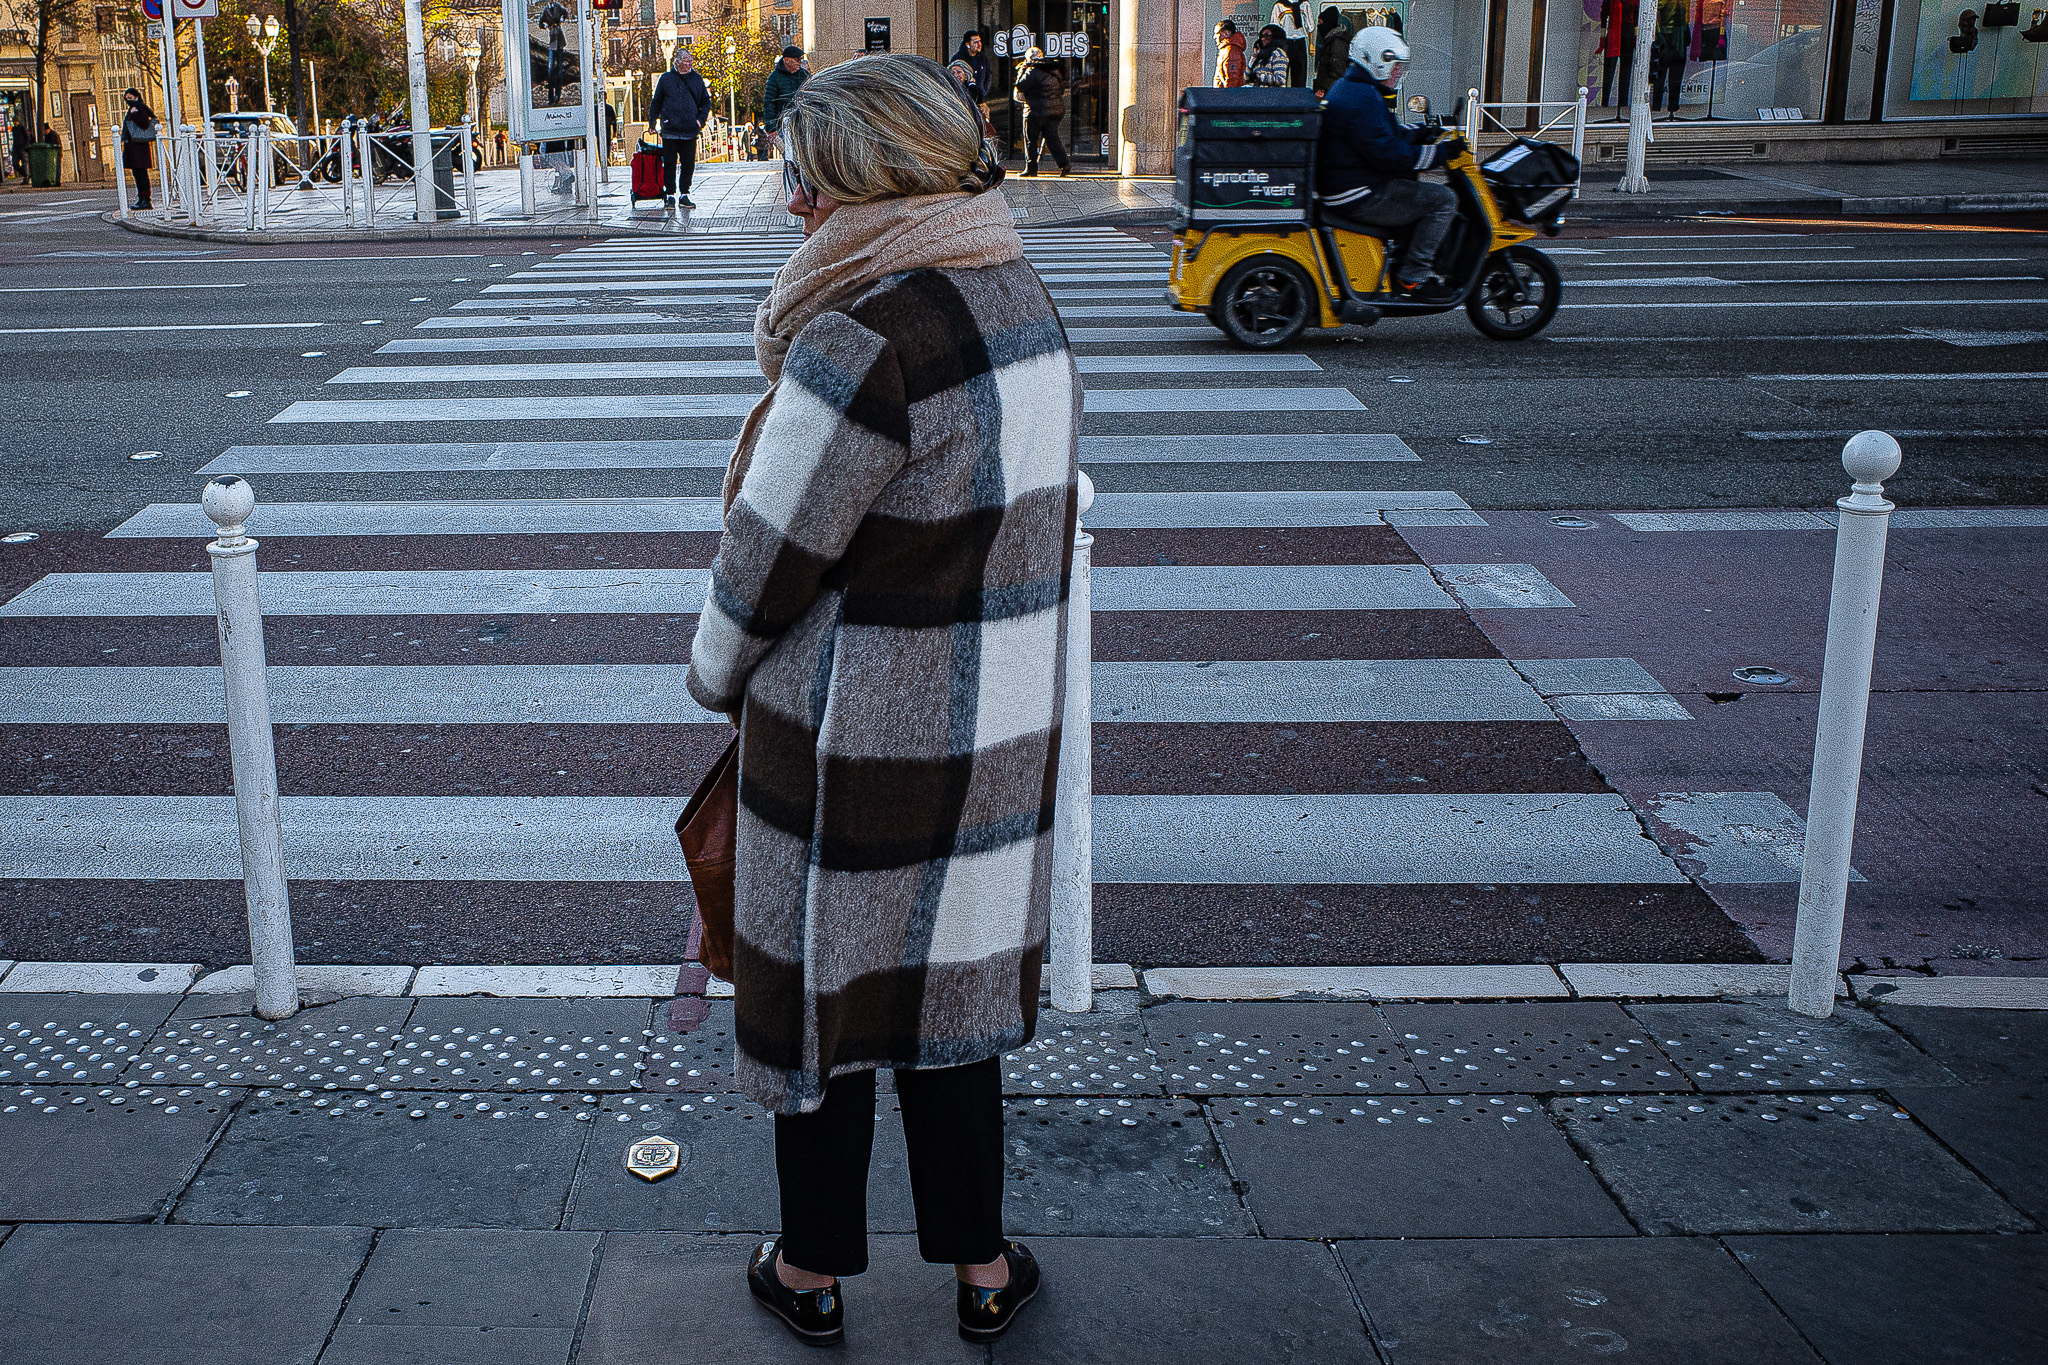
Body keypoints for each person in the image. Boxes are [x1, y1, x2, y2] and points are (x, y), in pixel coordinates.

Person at [686, 50, 1068, 1352]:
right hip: (991, 723)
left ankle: (810, 1269)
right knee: (951, 1009)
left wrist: (714, 673)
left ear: (859, 179)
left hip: (852, 736)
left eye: (802, 176)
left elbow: (768, 555)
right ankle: (980, 1268)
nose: (792, 204)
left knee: (824, 1010)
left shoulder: (861, 334)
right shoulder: (1018, 294)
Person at [1317, 26, 1459, 302]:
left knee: (1412, 187)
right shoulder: (1363, 97)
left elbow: (1383, 135)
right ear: (1376, 60)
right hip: (1358, 192)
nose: (1398, 73)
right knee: (1443, 199)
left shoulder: (1353, 89)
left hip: (1346, 184)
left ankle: (1397, 264)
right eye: (1395, 66)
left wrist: (1420, 133)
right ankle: (1412, 279)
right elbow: (1389, 154)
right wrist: (1442, 153)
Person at [647, 46, 711, 208]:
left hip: (690, 129)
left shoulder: (696, 79)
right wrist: (652, 123)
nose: (690, 64)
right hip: (670, 129)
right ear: (677, 62)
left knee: (688, 163)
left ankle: (684, 193)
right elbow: (657, 102)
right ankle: (670, 194)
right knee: (669, 163)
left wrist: (700, 121)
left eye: (691, 61)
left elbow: (705, 101)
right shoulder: (666, 79)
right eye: (686, 61)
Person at [1014, 46, 1069, 177]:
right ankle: (1064, 164)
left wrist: (1023, 69)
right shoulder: (1055, 69)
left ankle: (1031, 168)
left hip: (1036, 110)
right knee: (1052, 137)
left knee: (1030, 139)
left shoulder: (1032, 70)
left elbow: (1020, 85)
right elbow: (1061, 89)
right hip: (1056, 110)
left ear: (1030, 59)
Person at [118, 88, 155, 210]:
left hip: (140, 146)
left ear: (136, 97)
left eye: (130, 98)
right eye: (127, 99)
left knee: (142, 173)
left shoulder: (140, 107)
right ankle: (141, 197)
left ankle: (146, 200)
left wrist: (134, 114)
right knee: (136, 173)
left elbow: (144, 123)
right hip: (132, 145)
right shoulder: (133, 108)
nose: (129, 101)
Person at [762, 45, 808, 137]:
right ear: (786, 60)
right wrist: (771, 128)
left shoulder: (804, 75)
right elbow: (769, 103)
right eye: (797, 59)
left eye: (801, 59)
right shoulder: (774, 78)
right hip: (783, 125)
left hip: (803, 123)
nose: (799, 62)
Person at [1272, 0, 1312, 85]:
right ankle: (1282, 97)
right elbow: (1275, 27)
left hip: (1300, 41)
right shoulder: (1279, 5)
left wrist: (1311, 44)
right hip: (1285, 42)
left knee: (1300, 76)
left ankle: (1298, 97)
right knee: (1281, 74)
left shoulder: (1304, 4)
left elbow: (1310, 27)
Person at [1314, 7, 1352, 94]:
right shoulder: (1332, 40)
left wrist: (1324, 89)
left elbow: (1337, 71)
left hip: (1332, 92)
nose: (1318, 26)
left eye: (1320, 22)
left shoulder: (1337, 42)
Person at [1213, 19, 1247, 87]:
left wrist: (1228, 96)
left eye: (1217, 33)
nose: (1214, 37)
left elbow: (1232, 79)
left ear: (1226, 33)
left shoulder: (1231, 51)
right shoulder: (1228, 49)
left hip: (1226, 95)